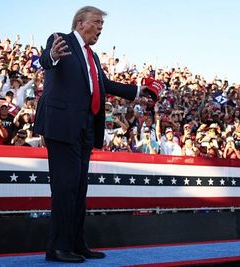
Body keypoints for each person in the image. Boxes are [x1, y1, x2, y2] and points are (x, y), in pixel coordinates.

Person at [33, 6, 160, 263]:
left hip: (85, 128)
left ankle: (76, 244)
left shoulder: (92, 56)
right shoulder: (61, 40)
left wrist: (139, 92)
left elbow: (105, 85)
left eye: (102, 23)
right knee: (65, 187)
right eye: (97, 22)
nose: (101, 27)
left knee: (79, 189)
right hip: (62, 125)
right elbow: (46, 60)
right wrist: (52, 56)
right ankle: (57, 247)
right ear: (80, 23)